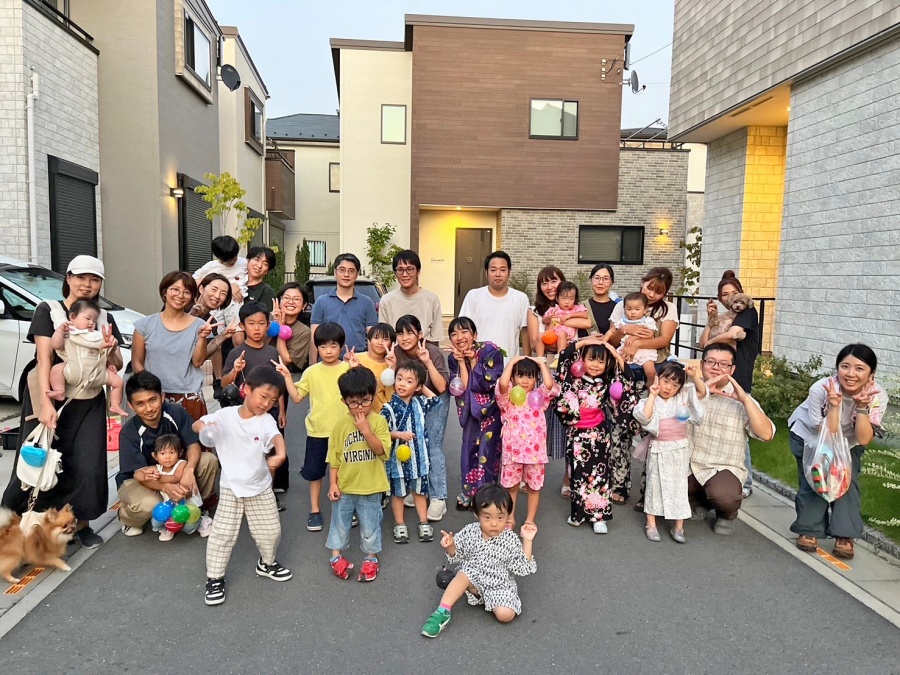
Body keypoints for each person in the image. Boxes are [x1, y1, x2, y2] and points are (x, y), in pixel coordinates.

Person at [1, 255, 123, 549]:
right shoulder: (49, 311)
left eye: (94, 279)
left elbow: (116, 363)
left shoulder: (103, 317)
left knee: (88, 465)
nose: (87, 285)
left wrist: (111, 348)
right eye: (81, 277)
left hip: (89, 399)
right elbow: (44, 359)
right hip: (52, 396)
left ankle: (80, 524)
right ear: (68, 279)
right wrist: (46, 404)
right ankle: (14, 526)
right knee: (37, 463)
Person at [196, 366, 291, 606]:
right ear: (246, 389)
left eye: (272, 401)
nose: (266, 404)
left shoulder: (266, 420)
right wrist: (206, 428)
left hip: (260, 486)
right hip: (231, 487)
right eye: (263, 396)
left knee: (271, 532)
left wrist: (280, 453)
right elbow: (198, 423)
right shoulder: (225, 416)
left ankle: (267, 563)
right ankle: (214, 578)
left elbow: (276, 437)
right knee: (222, 535)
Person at [787, 344, 886, 560]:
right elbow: (827, 434)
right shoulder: (821, 388)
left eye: (859, 368)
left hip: (850, 442)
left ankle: (844, 534)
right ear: (837, 368)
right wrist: (833, 406)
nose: (850, 374)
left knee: (847, 483)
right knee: (815, 481)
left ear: (871, 374)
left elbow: (864, 439)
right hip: (811, 437)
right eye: (845, 366)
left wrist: (862, 407)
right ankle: (809, 529)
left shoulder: (876, 395)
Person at [420, 484, 537, 638]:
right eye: (487, 517)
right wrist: (450, 546)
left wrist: (528, 541)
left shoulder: (510, 539)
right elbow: (457, 555)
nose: (494, 523)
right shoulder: (470, 531)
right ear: (477, 514)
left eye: (500, 517)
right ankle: (442, 612)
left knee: (505, 615)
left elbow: (522, 567)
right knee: (463, 574)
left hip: (499, 585)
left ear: (508, 515)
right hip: (473, 578)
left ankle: (487, 598)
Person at [116, 371, 219, 536]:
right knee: (150, 504)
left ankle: (196, 508)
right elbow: (139, 474)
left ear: (162, 396)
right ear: (131, 405)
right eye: (140, 404)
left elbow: (193, 444)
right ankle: (127, 518)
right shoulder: (129, 432)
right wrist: (165, 486)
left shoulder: (176, 412)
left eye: (152, 400)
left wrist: (189, 470)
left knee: (208, 460)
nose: (149, 408)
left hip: (174, 470)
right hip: (139, 480)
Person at [610, 267, 680, 511]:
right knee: (619, 431)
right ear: (642, 282)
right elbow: (612, 338)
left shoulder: (667, 309)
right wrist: (625, 330)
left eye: (658, 291)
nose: (651, 294)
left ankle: (648, 491)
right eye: (649, 287)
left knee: (651, 433)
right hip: (624, 375)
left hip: (653, 378)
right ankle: (619, 484)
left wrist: (637, 342)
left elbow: (664, 340)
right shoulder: (624, 305)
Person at [687, 345, 775, 535]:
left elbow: (767, 434)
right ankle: (698, 502)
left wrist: (746, 401)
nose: (716, 368)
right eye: (711, 362)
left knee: (724, 496)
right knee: (665, 480)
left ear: (732, 369)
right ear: (702, 365)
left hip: (722, 467)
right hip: (689, 464)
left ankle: (726, 514)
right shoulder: (687, 392)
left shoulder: (741, 399)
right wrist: (699, 396)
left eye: (723, 364)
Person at [278, 322, 350, 531]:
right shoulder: (311, 372)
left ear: (341, 346)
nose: (328, 351)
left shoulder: (347, 369)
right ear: (317, 348)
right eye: (323, 346)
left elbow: (359, 393)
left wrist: (356, 369)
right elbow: (297, 397)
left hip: (345, 432)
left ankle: (346, 509)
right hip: (318, 431)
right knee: (315, 473)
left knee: (345, 473)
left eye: (333, 346)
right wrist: (287, 376)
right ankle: (315, 510)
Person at [556, 337, 629, 533]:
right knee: (578, 473)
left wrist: (614, 353)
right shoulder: (574, 379)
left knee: (600, 475)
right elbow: (564, 358)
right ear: (582, 359)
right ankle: (579, 513)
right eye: (591, 359)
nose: (596, 365)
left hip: (598, 434)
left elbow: (626, 377)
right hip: (577, 433)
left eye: (601, 361)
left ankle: (599, 516)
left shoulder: (607, 381)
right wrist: (584, 342)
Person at [325, 366, 391, 582]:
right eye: (353, 402)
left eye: (365, 401)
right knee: (339, 524)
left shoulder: (379, 422)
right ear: (344, 401)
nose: (360, 407)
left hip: (371, 487)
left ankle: (371, 558)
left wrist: (366, 430)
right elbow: (334, 458)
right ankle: (336, 556)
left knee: (370, 526)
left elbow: (381, 451)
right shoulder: (340, 426)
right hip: (345, 487)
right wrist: (333, 484)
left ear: (373, 395)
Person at [526, 267, 588, 497]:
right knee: (535, 422)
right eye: (544, 283)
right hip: (544, 367)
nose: (550, 286)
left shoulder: (575, 308)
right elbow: (535, 341)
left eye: (554, 281)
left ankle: (568, 476)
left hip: (570, 367)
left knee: (570, 422)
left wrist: (565, 318)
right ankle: (527, 472)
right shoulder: (537, 311)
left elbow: (586, 324)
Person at [699, 270, 761, 498]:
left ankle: (745, 483)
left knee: (739, 430)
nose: (730, 298)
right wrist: (711, 320)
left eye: (734, 293)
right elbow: (702, 342)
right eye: (725, 295)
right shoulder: (723, 316)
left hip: (738, 377)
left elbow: (734, 335)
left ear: (742, 294)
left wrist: (711, 343)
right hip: (717, 378)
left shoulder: (747, 311)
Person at [634, 360, 707, 543]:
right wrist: (652, 395)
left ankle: (679, 526)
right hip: (659, 447)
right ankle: (651, 523)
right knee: (654, 484)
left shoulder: (682, 397)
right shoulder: (647, 400)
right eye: (666, 381)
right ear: (658, 379)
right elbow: (645, 417)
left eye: (675, 385)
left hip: (679, 448)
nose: (669, 388)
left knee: (679, 486)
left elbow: (701, 393)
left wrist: (694, 377)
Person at [222, 301, 289, 501]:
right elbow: (224, 382)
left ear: (268, 325)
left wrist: (282, 411)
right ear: (242, 326)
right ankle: (243, 490)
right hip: (245, 413)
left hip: (271, 410)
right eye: (251, 323)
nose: (257, 328)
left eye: (261, 323)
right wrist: (235, 369)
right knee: (248, 452)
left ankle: (268, 493)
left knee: (271, 452)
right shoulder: (236, 353)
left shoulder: (272, 352)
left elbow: (279, 385)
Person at [390, 315, 450, 521]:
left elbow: (441, 387)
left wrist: (427, 362)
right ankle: (418, 489)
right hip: (410, 399)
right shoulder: (395, 352)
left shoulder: (432, 351)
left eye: (410, 333)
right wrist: (391, 367)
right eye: (400, 333)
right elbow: (391, 381)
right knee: (413, 444)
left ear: (420, 334)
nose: (404, 338)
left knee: (432, 445)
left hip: (434, 399)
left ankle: (438, 497)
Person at [132, 272, 214, 422]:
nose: (180, 295)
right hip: (154, 397)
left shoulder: (200, 325)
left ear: (192, 297)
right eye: (175, 289)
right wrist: (149, 391)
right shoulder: (144, 325)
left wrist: (202, 337)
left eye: (187, 292)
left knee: (193, 436)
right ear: (164, 292)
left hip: (189, 394)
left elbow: (198, 362)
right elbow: (137, 363)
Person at [447, 317, 504, 510]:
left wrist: (473, 360)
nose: (459, 337)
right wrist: (462, 362)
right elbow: (461, 388)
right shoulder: (453, 358)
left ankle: (486, 495)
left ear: (475, 335)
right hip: (471, 411)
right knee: (468, 450)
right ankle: (468, 492)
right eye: (454, 334)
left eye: (464, 332)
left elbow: (488, 383)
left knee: (487, 452)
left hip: (490, 411)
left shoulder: (490, 351)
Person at [496, 356, 559, 528]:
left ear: (535, 378)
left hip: (535, 454)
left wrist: (541, 363)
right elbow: (503, 384)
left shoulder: (539, 396)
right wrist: (511, 363)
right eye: (520, 375)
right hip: (512, 452)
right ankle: (510, 518)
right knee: (511, 487)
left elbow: (549, 384)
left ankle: (530, 519)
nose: (525, 381)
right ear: (513, 377)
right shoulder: (508, 398)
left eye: (530, 376)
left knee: (534, 487)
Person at [380, 360, 439, 544]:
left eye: (409, 381)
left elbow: (435, 400)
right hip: (397, 462)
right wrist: (398, 434)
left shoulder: (420, 402)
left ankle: (423, 521)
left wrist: (421, 386)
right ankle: (400, 524)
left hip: (419, 460)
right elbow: (381, 433)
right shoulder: (389, 408)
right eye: (399, 379)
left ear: (418, 386)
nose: (402, 384)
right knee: (398, 493)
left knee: (420, 492)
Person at [46, 299, 128, 417]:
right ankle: (60, 391)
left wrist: (109, 363)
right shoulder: (68, 333)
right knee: (56, 369)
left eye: (94, 321)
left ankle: (115, 404)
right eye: (88, 318)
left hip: (98, 374)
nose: (91, 323)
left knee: (118, 382)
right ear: (73, 317)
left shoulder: (97, 336)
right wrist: (59, 330)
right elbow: (56, 345)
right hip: (73, 370)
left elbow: (103, 353)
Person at [458, 251, 530, 359]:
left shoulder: (520, 298)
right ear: (486, 273)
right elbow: (463, 329)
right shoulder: (474, 296)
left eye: (502, 270)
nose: (498, 274)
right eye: (493, 270)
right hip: (477, 363)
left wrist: (527, 360)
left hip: (509, 364)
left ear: (509, 273)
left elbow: (525, 331)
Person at [310, 253, 377, 363]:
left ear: (357, 274)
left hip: (357, 362)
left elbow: (372, 338)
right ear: (335, 272)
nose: (346, 274)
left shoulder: (367, 302)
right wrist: (312, 366)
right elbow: (314, 337)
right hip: (328, 364)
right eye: (342, 270)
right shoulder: (321, 302)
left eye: (351, 271)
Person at [137, 434, 203, 542]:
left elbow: (175, 478)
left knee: (188, 527)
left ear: (180, 453)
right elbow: (138, 474)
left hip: (188, 504)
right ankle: (168, 528)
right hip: (170, 505)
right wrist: (144, 476)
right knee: (155, 522)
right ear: (155, 456)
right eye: (162, 453)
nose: (167, 457)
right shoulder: (156, 468)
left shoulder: (181, 464)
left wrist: (159, 477)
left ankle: (201, 521)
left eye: (172, 452)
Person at [378, 249, 444, 344]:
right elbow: (384, 336)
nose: (405, 274)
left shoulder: (431, 299)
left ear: (418, 271)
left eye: (409, 269)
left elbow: (435, 338)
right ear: (395, 273)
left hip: (424, 351)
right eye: (400, 270)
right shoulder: (387, 300)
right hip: (395, 352)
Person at [192, 235, 248, 345]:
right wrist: (227, 285)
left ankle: (240, 355)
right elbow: (194, 281)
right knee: (217, 338)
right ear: (218, 257)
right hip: (216, 305)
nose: (232, 261)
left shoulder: (244, 263)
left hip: (234, 303)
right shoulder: (210, 267)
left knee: (238, 336)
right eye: (228, 260)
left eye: (234, 257)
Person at [190, 273, 237, 393]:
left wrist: (224, 336)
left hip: (190, 379)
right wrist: (191, 315)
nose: (217, 296)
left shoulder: (212, 322)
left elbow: (201, 358)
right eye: (214, 289)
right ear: (201, 288)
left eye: (223, 293)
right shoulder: (183, 306)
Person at [604, 292, 658, 385]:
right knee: (616, 368)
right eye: (629, 309)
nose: (633, 312)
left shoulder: (647, 321)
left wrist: (634, 338)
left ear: (645, 310)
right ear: (624, 309)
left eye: (637, 309)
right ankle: (620, 387)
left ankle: (651, 389)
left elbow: (650, 334)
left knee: (650, 372)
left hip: (644, 350)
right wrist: (603, 342)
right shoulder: (622, 321)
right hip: (624, 349)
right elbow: (611, 331)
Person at [538, 281, 588, 357]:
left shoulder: (576, 308)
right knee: (540, 336)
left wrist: (570, 315)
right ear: (557, 298)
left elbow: (585, 314)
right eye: (564, 298)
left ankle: (559, 357)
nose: (567, 302)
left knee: (561, 334)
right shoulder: (553, 309)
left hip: (567, 337)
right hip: (552, 335)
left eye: (571, 299)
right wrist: (549, 317)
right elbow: (543, 321)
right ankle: (540, 358)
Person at [354, 323, 396, 410]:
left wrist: (392, 368)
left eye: (385, 339)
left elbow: (391, 397)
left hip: (381, 413)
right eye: (376, 338)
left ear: (392, 344)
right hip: (357, 412)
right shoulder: (356, 359)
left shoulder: (391, 365)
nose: (380, 342)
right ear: (369, 340)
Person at [272, 283, 311, 373]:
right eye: (286, 298)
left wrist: (281, 327)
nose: (290, 302)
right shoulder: (265, 320)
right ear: (279, 301)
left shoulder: (304, 331)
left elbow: (286, 360)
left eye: (296, 299)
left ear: (304, 305)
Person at [585, 263, 618, 335]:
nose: (600, 282)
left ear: (612, 282)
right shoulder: (581, 306)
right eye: (597, 278)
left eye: (606, 279)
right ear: (591, 280)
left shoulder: (618, 308)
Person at [245, 246, 277, 312]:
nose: (259, 266)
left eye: (265, 264)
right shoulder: (235, 281)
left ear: (267, 271)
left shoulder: (267, 292)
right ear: (248, 260)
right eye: (257, 260)